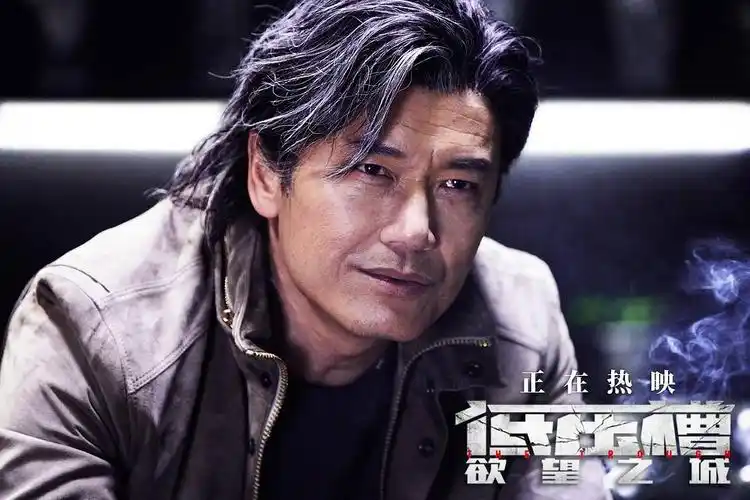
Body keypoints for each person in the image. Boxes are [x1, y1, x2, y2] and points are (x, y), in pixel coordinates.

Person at [0, 0, 610, 499]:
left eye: (458, 185)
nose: (415, 231)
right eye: (372, 170)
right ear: (266, 173)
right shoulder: (94, 328)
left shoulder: (521, 322)